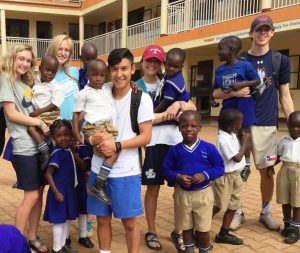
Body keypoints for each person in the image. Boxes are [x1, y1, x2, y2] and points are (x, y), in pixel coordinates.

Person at [213, 14, 294, 231]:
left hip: (266, 122)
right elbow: (217, 93)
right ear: (251, 33)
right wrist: (234, 94)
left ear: (272, 32)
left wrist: (295, 126)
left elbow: (285, 95)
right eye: (258, 29)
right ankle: (236, 211)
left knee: (267, 170)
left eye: (267, 29)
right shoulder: (237, 60)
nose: (263, 33)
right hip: (236, 125)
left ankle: (265, 211)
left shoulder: (280, 60)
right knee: (237, 169)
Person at [87, 48, 154, 253]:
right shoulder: (99, 91)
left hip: (126, 171)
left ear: (133, 69)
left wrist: (117, 146)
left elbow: (146, 136)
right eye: (114, 69)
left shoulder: (142, 99)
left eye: (124, 68)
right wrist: (91, 139)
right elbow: (83, 123)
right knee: (102, 220)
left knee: (130, 223)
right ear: (109, 70)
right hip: (98, 168)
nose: (119, 74)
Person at [137, 44, 196, 252]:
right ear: (142, 62)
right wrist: (166, 114)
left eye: (157, 61)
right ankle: (152, 230)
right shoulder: (136, 86)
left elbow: (192, 106)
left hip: (175, 141)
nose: (152, 64)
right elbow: (142, 120)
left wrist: (179, 105)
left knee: (182, 188)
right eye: (149, 60)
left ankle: (179, 230)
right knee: (153, 187)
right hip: (154, 142)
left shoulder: (171, 80)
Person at [0, 44, 49, 253]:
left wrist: (46, 120)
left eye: (28, 60)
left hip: (37, 145)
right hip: (23, 147)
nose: (24, 63)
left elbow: (31, 111)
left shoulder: (25, 83)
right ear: (13, 58)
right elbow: (11, 114)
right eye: (21, 58)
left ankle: (30, 238)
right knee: (32, 196)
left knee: (38, 193)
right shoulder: (6, 80)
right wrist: (38, 123)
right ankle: (16, 244)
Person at [163, 111, 224, 253]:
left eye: (193, 126)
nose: (189, 129)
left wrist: (205, 174)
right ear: (179, 128)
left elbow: (220, 167)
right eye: (184, 126)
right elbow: (166, 170)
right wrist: (177, 177)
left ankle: (204, 249)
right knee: (186, 228)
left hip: (203, 195)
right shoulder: (175, 150)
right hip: (182, 195)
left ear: (200, 127)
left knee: (203, 230)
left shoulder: (208, 148)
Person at [213, 35, 260, 182]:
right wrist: (212, 100)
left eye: (221, 49)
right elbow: (214, 89)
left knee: (243, 133)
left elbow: (257, 80)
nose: (218, 52)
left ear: (232, 49)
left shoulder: (245, 66)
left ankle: (246, 165)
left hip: (244, 105)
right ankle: (225, 160)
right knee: (224, 133)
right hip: (227, 107)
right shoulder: (219, 70)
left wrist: (241, 84)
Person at [73, 59, 118, 205]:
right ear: (87, 75)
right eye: (94, 75)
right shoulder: (84, 93)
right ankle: (98, 184)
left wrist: (133, 83)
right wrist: (75, 132)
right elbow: (76, 113)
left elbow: (123, 83)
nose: (98, 78)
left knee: (113, 151)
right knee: (113, 151)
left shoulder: (106, 87)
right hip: (94, 127)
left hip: (107, 126)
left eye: (102, 75)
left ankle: (99, 183)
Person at [212, 109, 250, 245]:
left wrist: (240, 136)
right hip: (225, 178)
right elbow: (237, 158)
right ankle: (199, 228)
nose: (242, 125)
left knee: (234, 205)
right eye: (240, 123)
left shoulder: (231, 134)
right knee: (217, 205)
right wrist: (245, 141)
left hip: (235, 177)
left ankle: (224, 233)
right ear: (233, 126)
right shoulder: (223, 139)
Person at [43, 119, 81, 253]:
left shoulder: (67, 150)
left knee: (66, 219)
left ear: (71, 135)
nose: (63, 138)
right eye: (59, 136)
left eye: (66, 135)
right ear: (53, 137)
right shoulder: (57, 153)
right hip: (59, 192)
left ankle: (63, 245)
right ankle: (56, 248)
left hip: (68, 191)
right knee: (59, 220)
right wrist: (56, 192)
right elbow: (48, 174)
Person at [27, 55, 64, 170]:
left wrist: (38, 111)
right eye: (47, 70)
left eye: (53, 72)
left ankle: (49, 155)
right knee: (35, 130)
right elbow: (29, 92)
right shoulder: (36, 80)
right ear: (40, 67)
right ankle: (45, 152)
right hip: (39, 114)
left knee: (32, 128)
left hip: (49, 113)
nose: (50, 74)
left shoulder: (55, 86)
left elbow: (55, 104)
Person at [276, 111, 300, 244]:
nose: (295, 129)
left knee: (297, 201)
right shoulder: (284, 140)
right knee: (285, 199)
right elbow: (278, 156)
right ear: (288, 124)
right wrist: (268, 166)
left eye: (299, 126)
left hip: (298, 171)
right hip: (285, 171)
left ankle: (295, 230)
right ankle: (287, 224)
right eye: (292, 126)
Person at [46, 34, 79, 121]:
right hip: (59, 128)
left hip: (77, 125)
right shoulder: (45, 76)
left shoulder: (74, 72)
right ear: (53, 49)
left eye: (67, 50)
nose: (63, 53)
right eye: (60, 49)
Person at [154, 48, 190, 113]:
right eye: (169, 65)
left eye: (175, 67)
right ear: (164, 64)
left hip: (179, 109)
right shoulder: (171, 74)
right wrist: (159, 74)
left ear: (181, 67)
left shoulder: (173, 83)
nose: (171, 69)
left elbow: (166, 102)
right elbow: (164, 79)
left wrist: (154, 113)